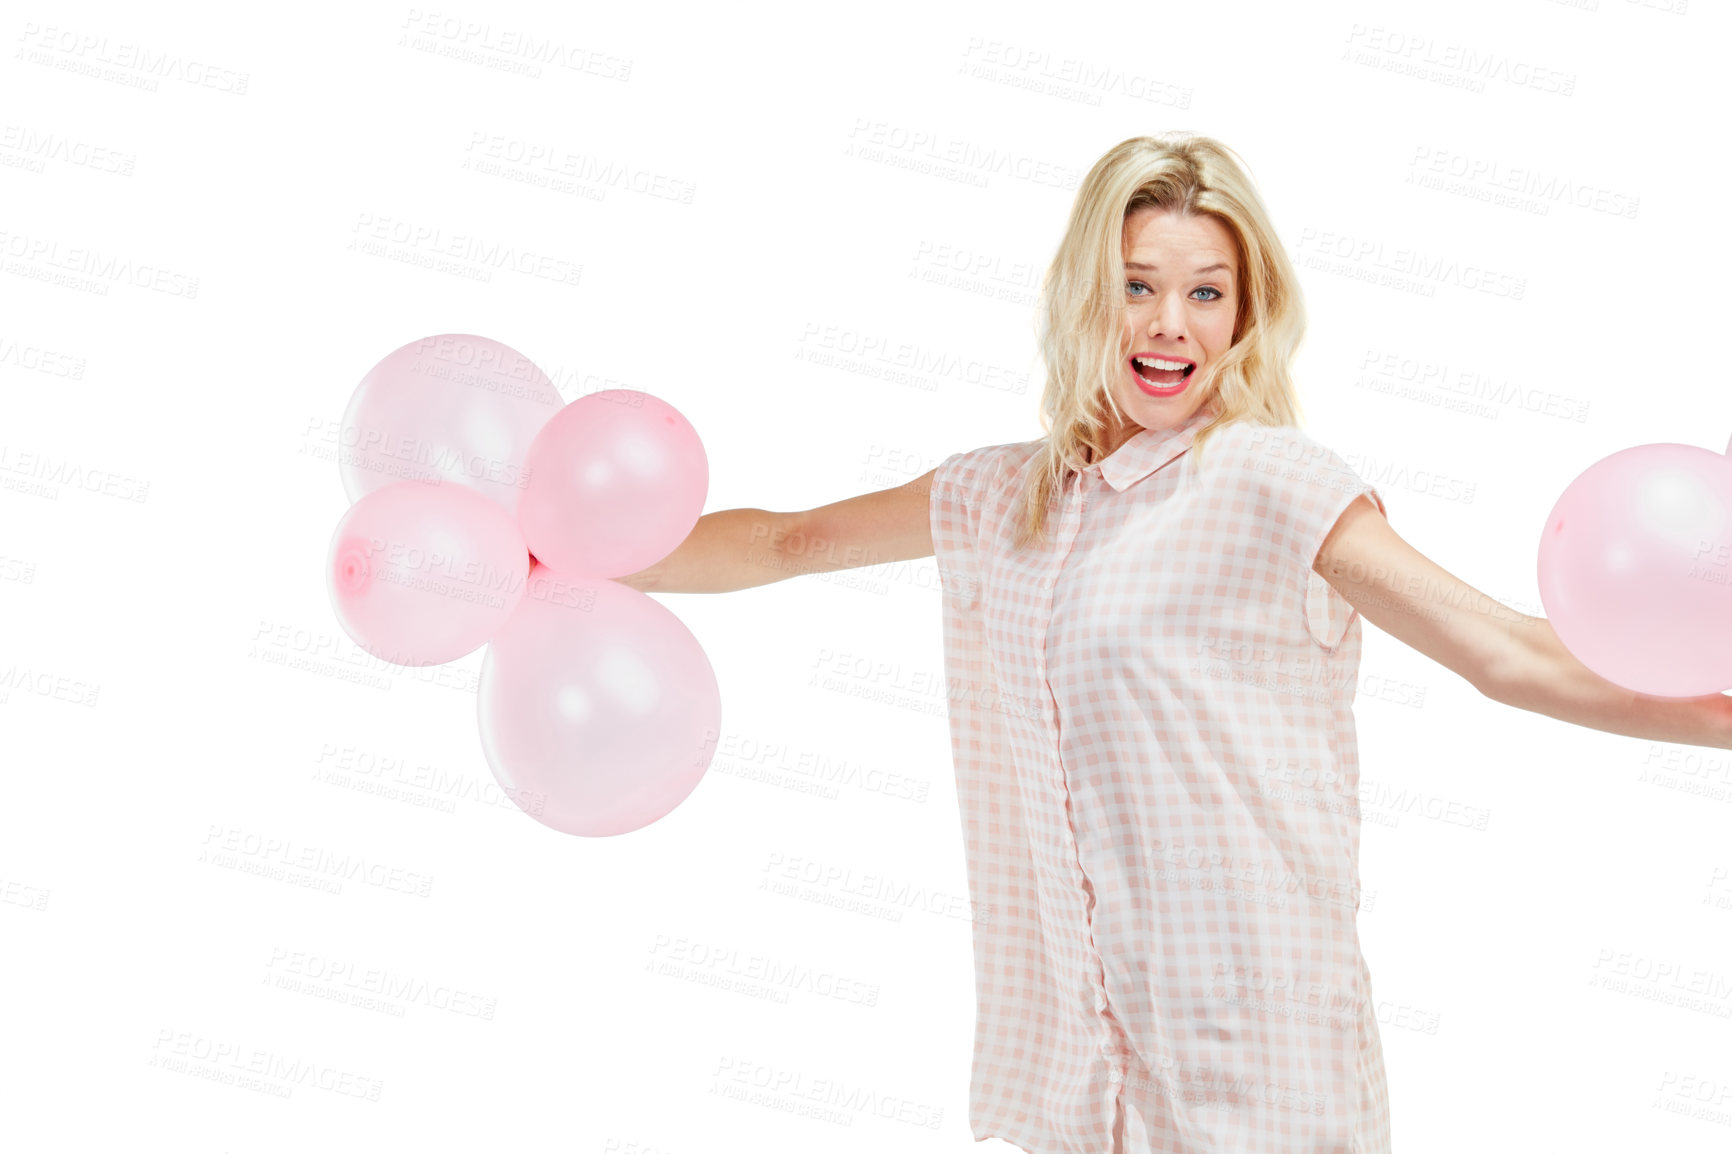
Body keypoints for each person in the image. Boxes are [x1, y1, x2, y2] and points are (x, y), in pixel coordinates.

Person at [618, 133, 1732, 1153]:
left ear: (1244, 316)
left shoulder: (1269, 481)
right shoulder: (998, 496)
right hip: (1088, 1077)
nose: (1169, 324)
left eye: (1206, 292)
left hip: (1257, 1069)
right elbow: (787, 540)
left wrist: (1714, 714)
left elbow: (1501, 649)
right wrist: (575, 559)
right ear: (1083, 300)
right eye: (1137, 286)